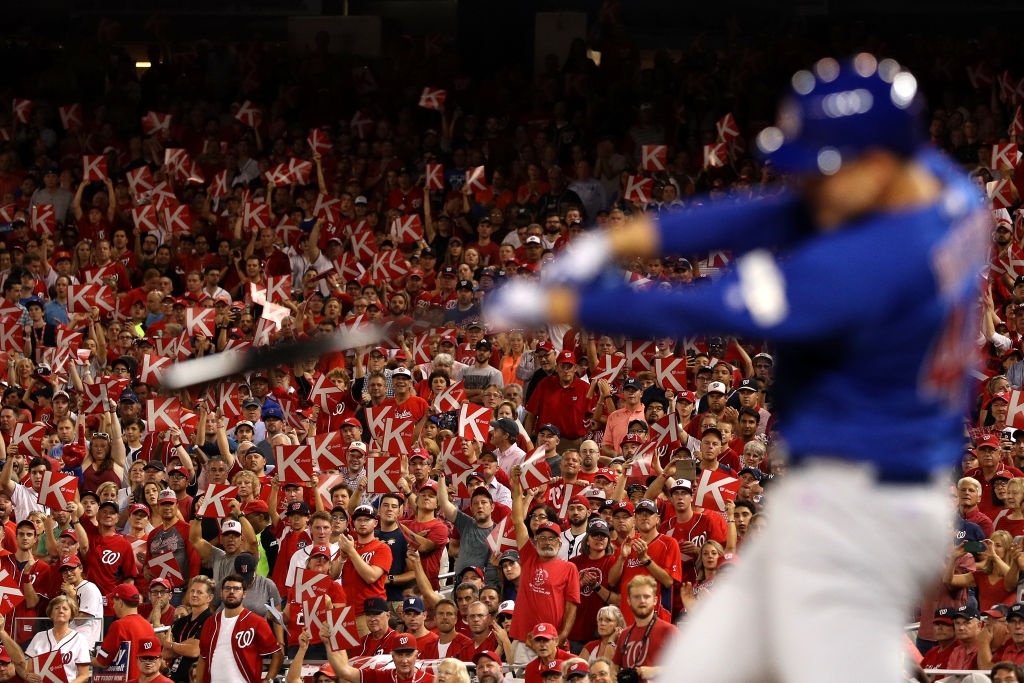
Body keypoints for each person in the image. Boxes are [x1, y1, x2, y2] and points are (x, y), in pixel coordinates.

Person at [485, 54, 986, 682]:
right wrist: (614, 241)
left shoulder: (877, 261)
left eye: (825, 167)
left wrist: (562, 302)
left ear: (878, 162)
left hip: (869, 516)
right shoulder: (943, 187)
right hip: (829, 498)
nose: (809, 184)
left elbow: (695, 308)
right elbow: (770, 210)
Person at [508, 465, 581, 664]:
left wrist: (563, 637)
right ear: (536, 540)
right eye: (542, 537)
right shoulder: (529, 555)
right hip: (525, 640)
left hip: (552, 642)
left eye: (551, 538)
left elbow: (572, 607)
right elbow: (517, 521)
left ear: (559, 543)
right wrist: (516, 488)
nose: (547, 542)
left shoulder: (569, 568)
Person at [196, 574, 282, 683]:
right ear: (221, 593)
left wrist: (268, 680)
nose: (231, 591)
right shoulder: (210, 622)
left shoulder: (257, 622)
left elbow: (277, 654)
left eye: (237, 588)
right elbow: (202, 658)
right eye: (227, 588)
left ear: (244, 594)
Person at [612, 576, 679, 683]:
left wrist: (656, 671)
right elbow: (614, 670)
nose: (642, 601)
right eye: (637, 597)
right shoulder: (624, 634)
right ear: (629, 600)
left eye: (647, 596)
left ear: (655, 600)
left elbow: (686, 666)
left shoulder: (669, 631)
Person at [339, 506, 392, 636]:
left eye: (367, 520)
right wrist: (341, 558)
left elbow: (371, 577)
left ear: (375, 523)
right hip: (346, 613)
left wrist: (351, 552)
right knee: (346, 656)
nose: (362, 523)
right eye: (359, 520)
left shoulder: (382, 547)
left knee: (369, 654)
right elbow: (332, 574)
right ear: (353, 523)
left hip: (370, 614)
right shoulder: (350, 545)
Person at [93, 584, 157, 681]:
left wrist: (83, 657)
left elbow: (102, 662)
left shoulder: (119, 625)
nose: (113, 606)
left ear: (120, 603)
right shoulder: (147, 625)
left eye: (114, 601)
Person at [24, 595, 90, 683]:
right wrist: (29, 676)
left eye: (65, 608)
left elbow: (84, 675)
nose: (61, 611)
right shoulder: (39, 637)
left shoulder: (79, 639)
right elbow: (29, 671)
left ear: (71, 614)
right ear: (51, 614)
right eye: (57, 608)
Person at [327, 631, 435, 683]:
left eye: (408, 655)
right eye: (399, 655)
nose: (404, 660)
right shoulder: (381, 677)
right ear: (392, 656)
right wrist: (328, 643)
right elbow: (343, 672)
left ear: (416, 656)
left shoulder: (431, 681)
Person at [162, 576, 215, 683]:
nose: (194, 595)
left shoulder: (211, 621)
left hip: (195, 679)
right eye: (192, 591)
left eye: (199, 592)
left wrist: (172, 645)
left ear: (210, 598)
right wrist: (187, 645)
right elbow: (165, 653)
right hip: (173, 678)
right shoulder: (179, 622)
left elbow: (195, 651)